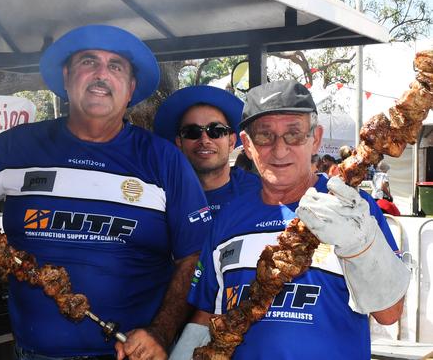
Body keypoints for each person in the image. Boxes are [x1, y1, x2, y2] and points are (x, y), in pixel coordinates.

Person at [0, 24, 212, 360]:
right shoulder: (19, 146)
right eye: (88, 61)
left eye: (116, 66)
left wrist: (162, 332)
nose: (102, 74)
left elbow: (193, 255)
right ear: (66, 77)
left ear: (131, 88)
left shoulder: (163, 158)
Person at [171, 79, 409, 359]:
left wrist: (360, 247)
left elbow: (389, 313)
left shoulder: (352, 207)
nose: (280, 149)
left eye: (294, 134)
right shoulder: (227, 220)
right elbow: (209, 311)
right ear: (247, 144)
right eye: (264, 136)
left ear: (315, 139)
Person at [153, 85, 260, 218]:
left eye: (216, 130)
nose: (204, 140)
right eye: (192, 131)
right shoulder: (159, 197)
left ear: (231, 142)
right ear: (179, 143)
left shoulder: (261, 192)